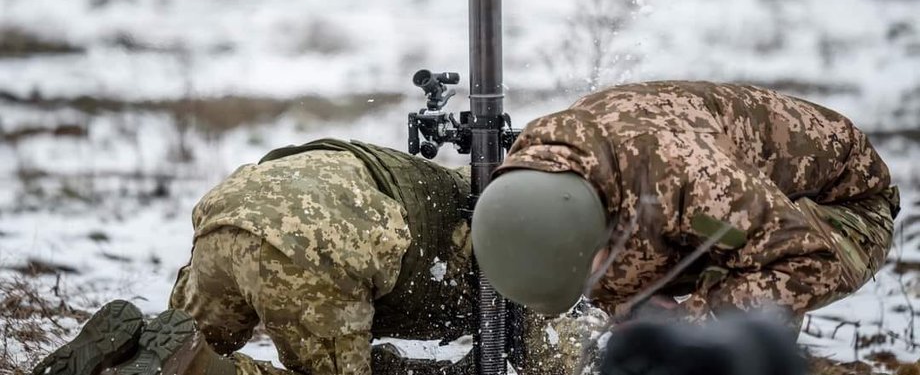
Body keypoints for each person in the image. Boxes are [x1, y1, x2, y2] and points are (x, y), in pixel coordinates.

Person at [33, 139, 587, 375]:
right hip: (316, 242)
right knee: (201, 360)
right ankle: (197, 370)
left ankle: (127, 348)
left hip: (234, 208)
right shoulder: (542, 270)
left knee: (185, 331)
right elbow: (559, 362)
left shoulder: (491, 197)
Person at [473, 81, 899, 328]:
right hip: (728, 201)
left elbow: (805, 260)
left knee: (724, 321)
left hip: (845, 205)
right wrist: (630, 306)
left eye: (588, 267)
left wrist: (691, 323)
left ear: (598, 229)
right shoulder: (544, 165)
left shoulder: (697, 182)